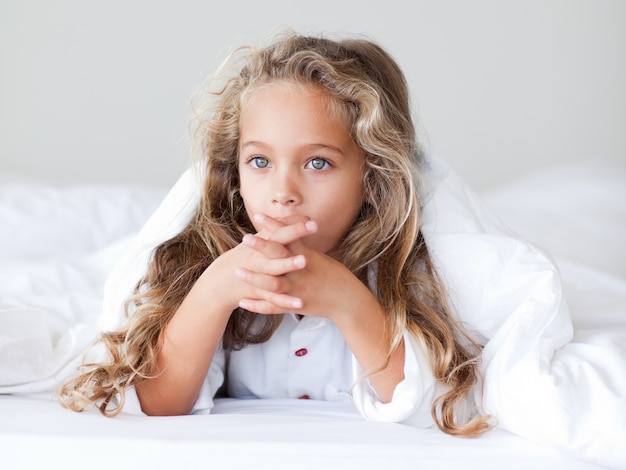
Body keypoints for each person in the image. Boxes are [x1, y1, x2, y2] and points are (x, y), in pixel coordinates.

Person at [58, 30, 494, 437]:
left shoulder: (410, 269)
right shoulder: (207, 257)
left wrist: (347, 300)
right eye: (260, 162)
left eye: (317, 163)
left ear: (371, 176)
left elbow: (442, 406)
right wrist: (215, 290)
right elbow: (157, 403)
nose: (282, 194)